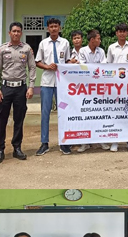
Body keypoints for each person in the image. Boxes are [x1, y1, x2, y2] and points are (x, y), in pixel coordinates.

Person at [0, 22, 36, 164]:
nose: (16, 33)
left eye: (18, 31)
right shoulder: (3, 49)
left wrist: (31, 87)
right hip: (5, 88)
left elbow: (32, 68)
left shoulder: (27, 49)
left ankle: (17, 147)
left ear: (21, 33)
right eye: (14, 31)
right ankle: (0, 149)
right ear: (9, 33)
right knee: (1, 119)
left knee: (19, 119)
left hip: (20, 89)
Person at [35, 18, 71, 156]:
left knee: (64, 112)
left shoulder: (65, 43)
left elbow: (67, 60)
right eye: (51, 26)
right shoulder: (43, 43)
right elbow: (38, 62)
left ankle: (64, 142)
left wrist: (68, 64)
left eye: (56, 26)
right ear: (48, 28)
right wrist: (47, 66)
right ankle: (44, 143)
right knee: (45, 113)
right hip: (47, 82)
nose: (54, 28)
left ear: (60, 28)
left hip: (62, 83)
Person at [106, 23, 128, 153]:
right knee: (116, 112)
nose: (122, 34)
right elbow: (107, 66)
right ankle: (115, 141)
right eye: (120, 31)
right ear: (116, 33)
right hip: (115, 86)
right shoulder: (111, 47)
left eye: (124, 31)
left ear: (127, 33)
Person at [77, 30, 107, 153]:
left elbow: (104, 67)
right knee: (86, 114)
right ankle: (85, 142)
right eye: (98, 39)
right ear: (92, 40)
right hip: (86, 87)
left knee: (99, 113)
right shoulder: (83, 51)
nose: (100, 41)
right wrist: (94, 70)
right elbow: (83, 68)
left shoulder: (102, 51)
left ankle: (101, 139)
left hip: (99, 88)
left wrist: (95, 70)